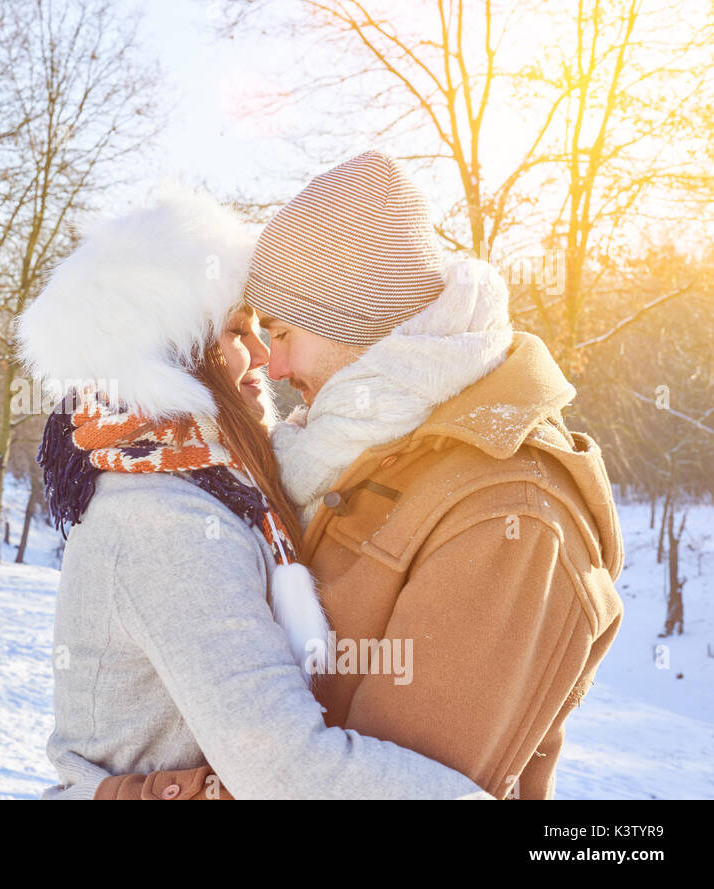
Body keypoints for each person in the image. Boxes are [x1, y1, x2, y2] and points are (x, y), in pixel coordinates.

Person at [87, 151, 625, 800]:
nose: (272, 365)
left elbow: (361, 784)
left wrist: (114, 793)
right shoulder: (344, 453)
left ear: (355, 320)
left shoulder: (510, 516)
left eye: (283, 331)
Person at [16, 185, 490, 799]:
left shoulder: (202, 485)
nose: (264, 354)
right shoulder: (163, 516)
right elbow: (288, 771)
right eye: (240, 331)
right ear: (170, 354)